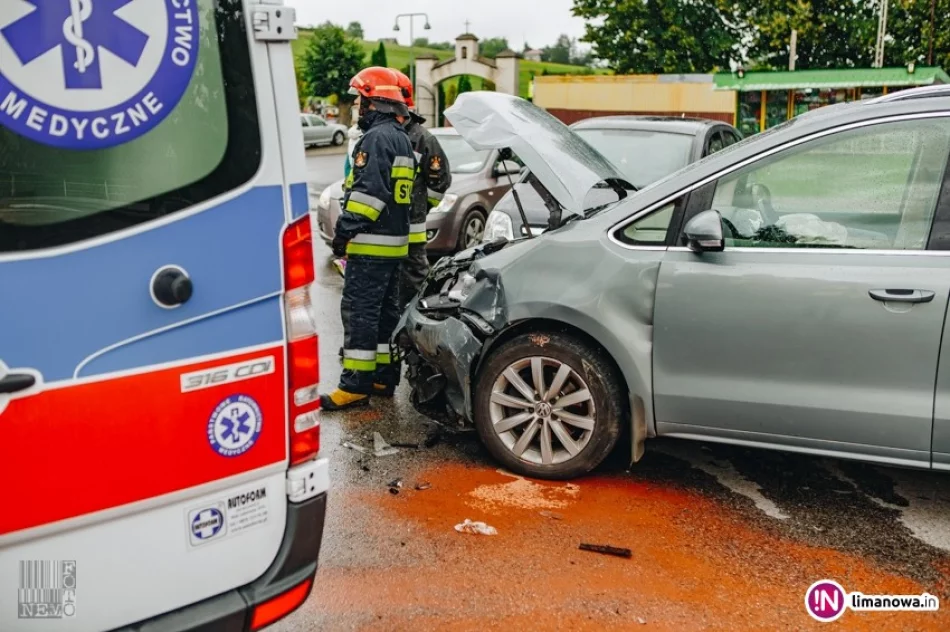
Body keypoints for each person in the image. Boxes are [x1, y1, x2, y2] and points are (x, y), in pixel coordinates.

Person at [319, 67, 416, 411]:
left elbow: (368, 197)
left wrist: (343, 233)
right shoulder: (401, 138)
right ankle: (383, 377)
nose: (358, 107)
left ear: (375, 102)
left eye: (361, 100)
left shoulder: (375, 139)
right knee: (385, 315)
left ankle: (354, 386)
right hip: (394, 246)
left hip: (370, 245)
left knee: (360, 314)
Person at [393, 71, 453, 312]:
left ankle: (421, 322)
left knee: (415, 283)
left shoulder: (422, 139)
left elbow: (440, 182)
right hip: (389, 230)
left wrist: (419, 206)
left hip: (411, 231)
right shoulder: (386, 134)